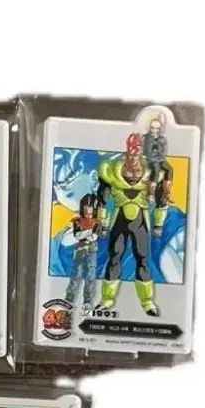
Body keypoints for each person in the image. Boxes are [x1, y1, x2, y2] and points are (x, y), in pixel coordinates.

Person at [95, 133, 165, 316]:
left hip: (141, 220)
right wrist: (102, 222)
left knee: (143, 259)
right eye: (131, 152)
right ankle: (107, 299)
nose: (134, 157)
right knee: (114, 258)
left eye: (137, 152)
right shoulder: (111, 170)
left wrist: (158, 224)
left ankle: (147, 301)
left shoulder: (152, 172)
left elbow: (162, 199)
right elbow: (102, 197)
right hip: (119, 220)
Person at [66, 194, 104, 314]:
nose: (88, 209)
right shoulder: (78, 221)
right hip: (79, 252)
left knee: (90, 277)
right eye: (86, 206)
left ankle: (87, 300)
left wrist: (87, 233)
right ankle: (69, 299)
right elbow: (78, 235)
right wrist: (89, 232)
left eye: (91, 206)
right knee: (76, 276)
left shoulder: (97, 222)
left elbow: (94, 237)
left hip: (91, 252)